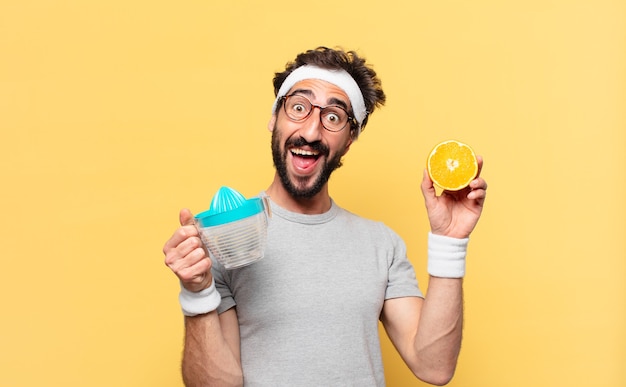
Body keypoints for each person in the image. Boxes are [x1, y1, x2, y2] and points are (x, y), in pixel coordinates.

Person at [163, 46, 487, 387]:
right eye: (298, 108)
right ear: (275, 118)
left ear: (349, 139)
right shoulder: (227, 237)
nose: (312, 132)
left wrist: (450, 242)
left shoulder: (381, 244)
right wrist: (197, 293)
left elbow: (433, 366)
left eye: (333, 117)